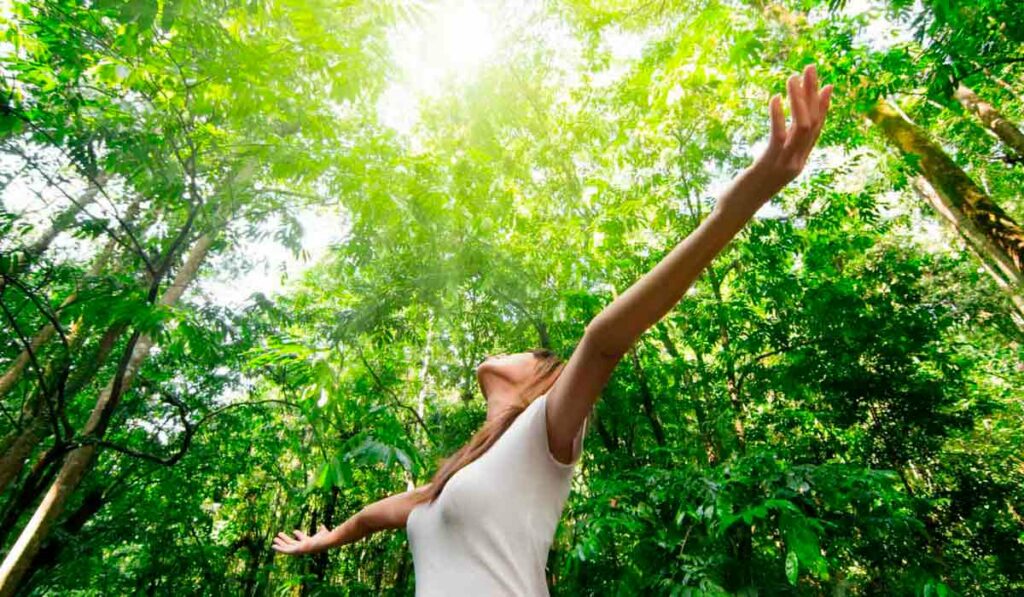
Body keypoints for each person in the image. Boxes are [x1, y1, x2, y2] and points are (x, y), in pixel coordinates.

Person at [272, 65, 834, 594]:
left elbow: (604, 340)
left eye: (528, 350)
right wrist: (331, 536)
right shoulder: (447, 483)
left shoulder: (546, 430)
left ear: (542, 378)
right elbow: (380, 514)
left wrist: (736, 206)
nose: (505, 349)